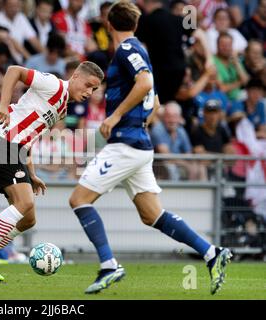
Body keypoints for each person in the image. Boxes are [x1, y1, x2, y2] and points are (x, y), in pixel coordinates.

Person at [68, 1, 232, 295]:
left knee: (79, 199)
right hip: (138, 144)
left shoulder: (127, 50)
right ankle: (211, 252)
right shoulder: (140, 51)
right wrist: (140, 121)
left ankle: (109, 265)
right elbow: (154, 102)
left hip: (126, 144)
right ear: (135, 23)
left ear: (108, 23)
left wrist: (117, 117)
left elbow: (144, 84)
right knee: (152, 215)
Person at [0, 61, 104, 282]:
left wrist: (32, 173)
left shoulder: (63, 107)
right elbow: (13, 70)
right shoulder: (54, 85)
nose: (89, 92)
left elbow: (30, 137)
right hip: (4, 142)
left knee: (28, 220)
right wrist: (3, 105)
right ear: (75, 76)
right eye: (87, 85)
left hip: (16, 149)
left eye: (94, 89)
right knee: (24, 203)